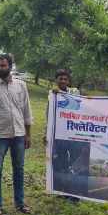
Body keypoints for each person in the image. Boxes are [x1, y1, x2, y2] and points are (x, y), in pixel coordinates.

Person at [0, 53, 33, 215]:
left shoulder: (21, 85)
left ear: (10, 66)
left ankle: (20, 203)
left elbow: (26, 110)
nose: (0, 68)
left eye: (3, 65)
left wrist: (28, 134)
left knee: (19, 169)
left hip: (19, 134)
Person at [45, 68, 80, 203]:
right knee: (61, 163)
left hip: (74, 135)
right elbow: (48, 115)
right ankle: (64, 191)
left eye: (66, 79)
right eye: (61, 78)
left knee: (73, 164)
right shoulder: (52, 95)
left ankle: (75, 195)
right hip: (58, 134)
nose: (63, 81)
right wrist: (46, 132)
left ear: (69, 81)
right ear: (56, 80)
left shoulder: (75, 93)